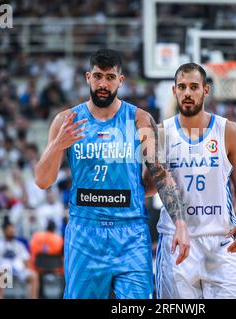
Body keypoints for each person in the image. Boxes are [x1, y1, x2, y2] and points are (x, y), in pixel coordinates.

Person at [34, 49, 189, 299]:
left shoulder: (140, 119)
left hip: (131, 234)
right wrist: (57, 144)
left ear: (121, 80)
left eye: (109, 77)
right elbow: (42, 181)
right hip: (85, 233)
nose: (103, 84)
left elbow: (159, 175)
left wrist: (181, 223)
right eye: (97, 76)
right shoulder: (66, 120)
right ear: (88, 77)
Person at [144, 63, 236, 298]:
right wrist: (154, 165)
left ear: (205, 90)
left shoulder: (229, 131)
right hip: (176, 242)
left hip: (220, 241)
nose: (187, 92)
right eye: (182, 87)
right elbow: (147, 189)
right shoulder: (161, 133)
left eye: (194, 87)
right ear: (174, 91)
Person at [0, 222, 39, 299]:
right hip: (4, 271)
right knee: (1, 272)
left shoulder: (20, 245)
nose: (12, 231)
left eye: (13, 229)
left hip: (19, 271)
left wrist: (27, 269)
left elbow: (27, 261)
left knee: (34, 275)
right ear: (4, 231)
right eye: (10, 230)